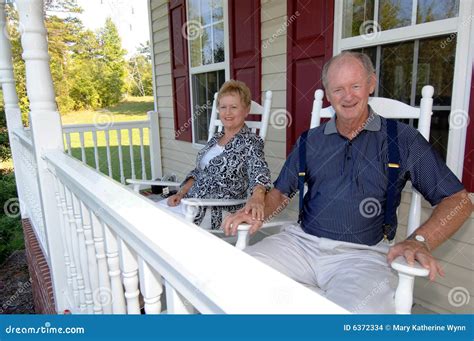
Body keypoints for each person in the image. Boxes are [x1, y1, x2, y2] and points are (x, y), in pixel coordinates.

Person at [222, 52, 472, 313]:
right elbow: (281, 192)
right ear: (328, 95)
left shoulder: (403, 139)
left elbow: (457, 199)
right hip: (300, 246)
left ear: (371, 84)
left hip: (362, 257)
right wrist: (258, 213)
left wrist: (420, 239)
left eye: (355, 86)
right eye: (338, 89)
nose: (348, 96)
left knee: (355, 317)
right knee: (234, 278)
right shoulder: (311, 141)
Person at [160, 80, 271, 229]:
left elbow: (259, 169)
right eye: (223, 107)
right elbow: (198, 171)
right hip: (189, 202)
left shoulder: (251, 142)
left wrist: (258, 196)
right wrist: (180, 193)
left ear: (246, 110)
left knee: (159, 226)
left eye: (234, 107)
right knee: (148, 214)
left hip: (216, 210)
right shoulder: (215, 139)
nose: (227, 112)